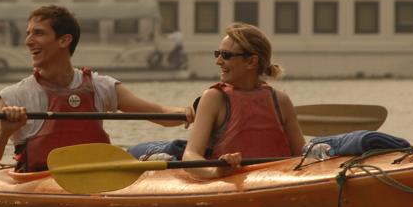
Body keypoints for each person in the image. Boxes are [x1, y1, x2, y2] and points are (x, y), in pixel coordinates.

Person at [0, 5, 194, 172]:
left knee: (175, 149)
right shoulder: (12, 97)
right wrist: (5, 131)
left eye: (38, 33)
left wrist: (190, 112)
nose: (28, 41)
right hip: (41, 179)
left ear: (64, 40)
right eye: (28, 33)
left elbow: (158, 113)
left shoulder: (101, 86)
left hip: (97, 173)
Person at [129, 22, 305, 180]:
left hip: (268, 176)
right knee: (154, 151)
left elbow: (302, 155)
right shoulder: (214, 97)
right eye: (217, 53)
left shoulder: (280, 100)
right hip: (189, 156)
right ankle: (132, 155)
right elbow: (191, 155)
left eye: (226, 55)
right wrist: (217, 171)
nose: (218, 61)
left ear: (251, 61)